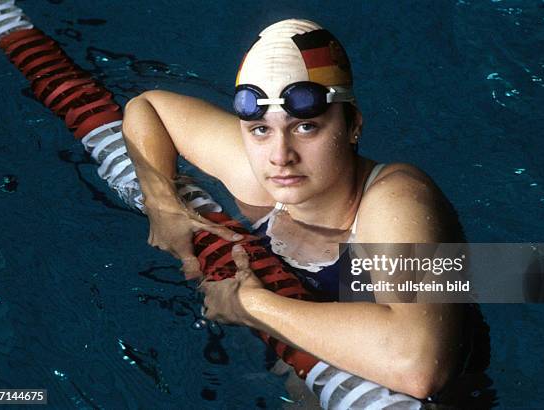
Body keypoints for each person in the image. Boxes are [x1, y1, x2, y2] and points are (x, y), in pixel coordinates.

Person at [122, 19, 471, 401]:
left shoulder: (395, 200)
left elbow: (419, 366)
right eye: (260, 130)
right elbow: (147, 107)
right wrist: (162, 204)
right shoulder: (265, 176)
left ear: (353, 123)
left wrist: (252, 304)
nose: (280, 156)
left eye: (306, 127)